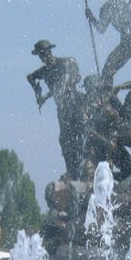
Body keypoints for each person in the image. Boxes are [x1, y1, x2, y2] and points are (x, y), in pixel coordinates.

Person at [26, 40, 84, 178]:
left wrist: (45, 97)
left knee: (82, 132)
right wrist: (37, 91)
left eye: (43, 54)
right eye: (39, 55)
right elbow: (30, 77)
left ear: (49, 51)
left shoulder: (64, 63)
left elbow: (69, 82)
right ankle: (72, 171)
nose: (41, 57)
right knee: (64, 140)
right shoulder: (44, 71)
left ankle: (86, 163)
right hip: (62, 109)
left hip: (74, 104)